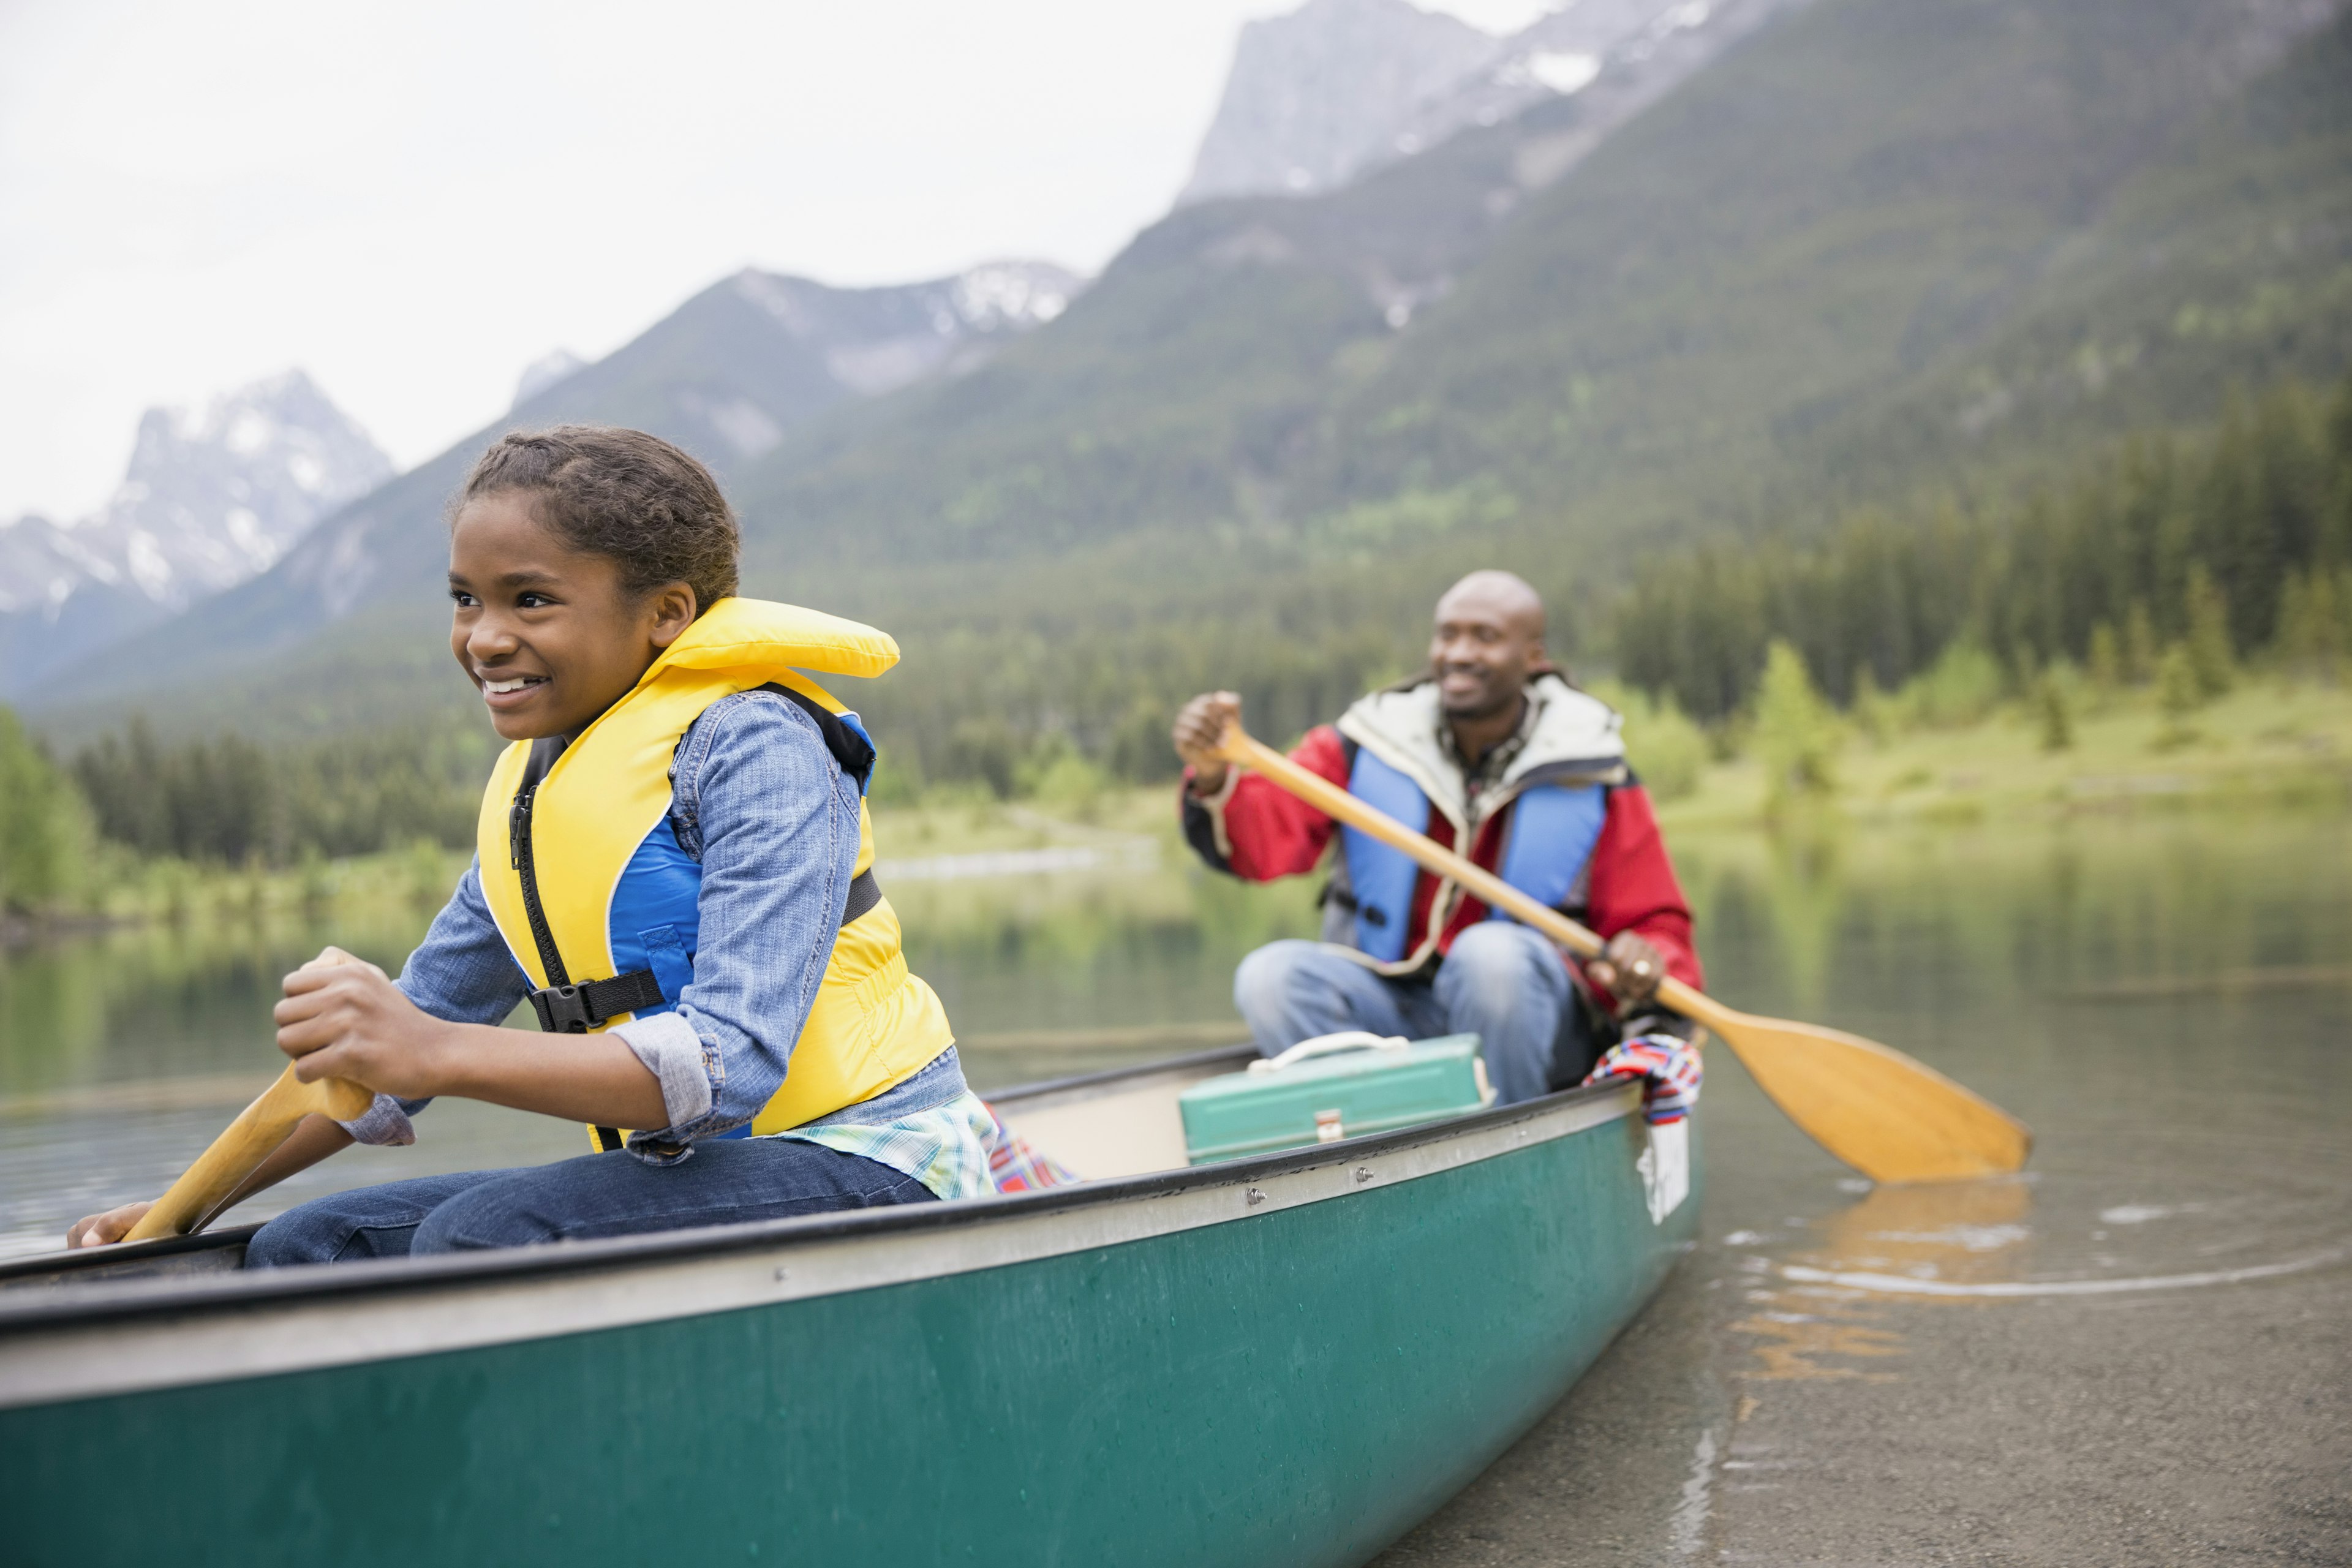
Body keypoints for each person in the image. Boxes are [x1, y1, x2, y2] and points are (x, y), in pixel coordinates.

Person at [69, 426, 992, 1263]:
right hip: (693, 1175)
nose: (485, 638)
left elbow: (732, 1061)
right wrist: (175, 1212)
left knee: (478, 1239)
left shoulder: (757, 743)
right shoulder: (539, 795)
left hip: (871, 1156)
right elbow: (388, 1068)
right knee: (314, 1243)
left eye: (532, 600)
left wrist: (436, 1051)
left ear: (666, 613)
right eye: (466, 599)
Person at [1170, 569, 1702, 1104]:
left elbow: (1655, 924)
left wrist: (1645, 955)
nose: (1459, 653)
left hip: (1536, 1026)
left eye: (1485, 637)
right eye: (1447, 635)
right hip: (1394, 1009)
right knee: (1270, 977)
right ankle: (1375, 1142)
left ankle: (1506, 1138)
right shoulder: (1367, 742)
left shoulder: (1594, 771)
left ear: (1533, 657)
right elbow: (1267, 841)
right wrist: (1215, 776)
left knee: (1490, 959)